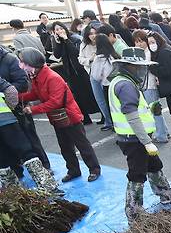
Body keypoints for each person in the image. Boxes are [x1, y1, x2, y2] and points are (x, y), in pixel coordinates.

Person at [107, 47, 171, 221]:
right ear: (128, 66)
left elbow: (136, 109)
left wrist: (151, 109)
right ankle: (134, 210)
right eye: (138, 67)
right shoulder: (125, 85)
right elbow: (131, 115)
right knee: (137, 173)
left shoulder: (123, 81)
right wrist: (146, 141)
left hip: (136, 137)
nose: (142, 70)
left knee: (153, 164)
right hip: (133, 138)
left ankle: (165, 192)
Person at [18, 48, 101, 183]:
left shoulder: (52, 77)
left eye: (23, 62)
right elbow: (35, 94)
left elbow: (55, 102)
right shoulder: (37, 77)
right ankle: (73, 170)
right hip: (58, 118)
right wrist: (17, 96)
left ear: (32, 62)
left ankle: (94, 169)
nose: (22, 65)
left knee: (82, 145)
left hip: (70, 116)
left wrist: (33, 109)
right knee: (65, 147)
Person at [0, 77, 62, 195]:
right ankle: (48, 186)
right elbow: (11, 91)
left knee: (2, 160)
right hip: (7, 120)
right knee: (26, 152)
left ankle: (14, 194)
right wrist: (12, 108)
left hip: (5, 120)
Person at [52, 21, 99, 125]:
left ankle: (103, 115)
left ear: (65, 28)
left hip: (81, 70)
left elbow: (76, 52)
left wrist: (66, 39)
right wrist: (57, 43)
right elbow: (57, 55)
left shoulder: (74, 38)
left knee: (90, 92)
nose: (59, 31)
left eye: (61, 28)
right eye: (57, 30)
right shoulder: (57, 41)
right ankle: (85, 117)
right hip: (70, 72)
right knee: (77, 96)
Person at [132, 30, 170, 144]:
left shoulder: (148, 53)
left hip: (150, 85)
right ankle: (164, 131)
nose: (139, 44)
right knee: (155, 110)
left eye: (141, 41)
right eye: (136, 42)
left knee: (154, 111)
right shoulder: (143, 53)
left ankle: (161, 135)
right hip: (148, 85)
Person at [89, 34, 118, 132]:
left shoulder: (99, 58)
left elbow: (96, 76)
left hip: (107, 85)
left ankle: (115, 126)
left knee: (111, 108)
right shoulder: (114, 54)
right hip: (118, 83)